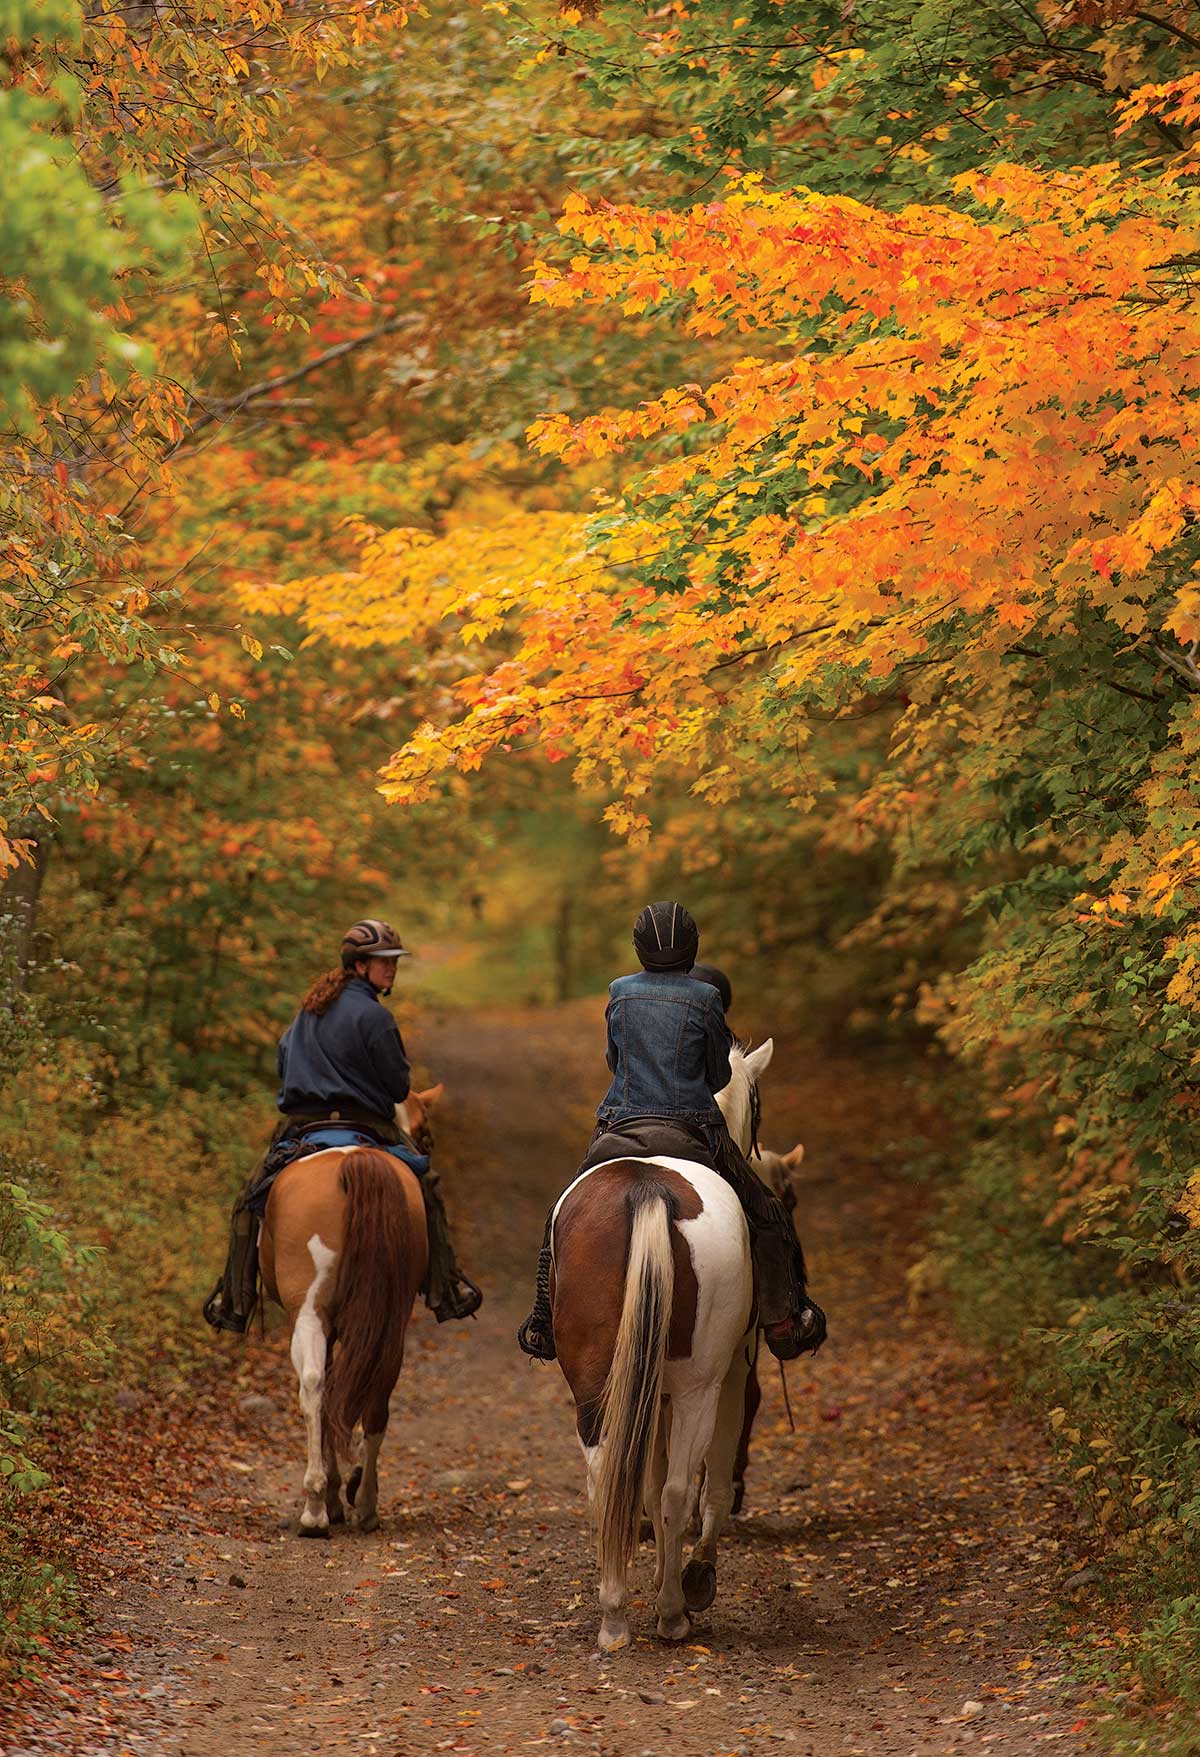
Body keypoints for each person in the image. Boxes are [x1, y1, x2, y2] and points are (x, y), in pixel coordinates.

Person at [518, 902, 826, 1364]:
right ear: (693, 946)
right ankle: (784, 1320)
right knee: (767, 1214)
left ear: (638, 948)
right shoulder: (704, 998)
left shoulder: (619, 992)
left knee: (561, 1212)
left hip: (619, 1127)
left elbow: (614, 1061)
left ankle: (543, 1318)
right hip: (692, 1130)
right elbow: (720, 1077)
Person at [203, 918, 481, 1333]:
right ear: (358, 965)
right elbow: (397, 1086)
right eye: (381, 961)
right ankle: (446, 1286)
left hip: (304, 1129)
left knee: (249, 1199)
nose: (391, 969)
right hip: (367, 1125)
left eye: (393, 961)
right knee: (427, 1190)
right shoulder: (375, 1017)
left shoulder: (306, 1013)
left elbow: (283, 1064)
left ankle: (235, 1297)